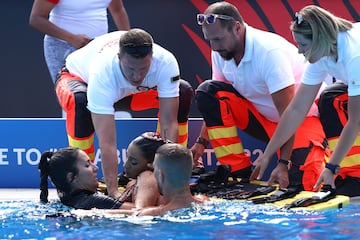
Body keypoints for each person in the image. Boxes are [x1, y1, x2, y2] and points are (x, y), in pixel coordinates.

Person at [190, 1, 328, 191]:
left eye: (218, 40)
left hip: (302, 119)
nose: (213, 47)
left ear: (237, 28)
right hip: (262, 120)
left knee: (304, 186)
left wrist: (283, 163)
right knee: (207, 91)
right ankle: (236, 171)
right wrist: (201, 142)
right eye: (210, 40)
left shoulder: (269, 52)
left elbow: (290, 113)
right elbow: (218, 100)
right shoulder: (221, 51)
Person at [55, 28, 194, 200]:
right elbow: (107, 142)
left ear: (152, 57)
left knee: (183, 91)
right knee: (80, 102)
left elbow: (168, 122)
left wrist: (166, 182)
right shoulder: (102, 73)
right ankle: (83, 185)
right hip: (77, 78)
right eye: (131, 69)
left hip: (128, 93)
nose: (137, 76)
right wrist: (114, 194)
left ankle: (172, 180)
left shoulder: (165, 62)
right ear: (119, 57)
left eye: (144, 69)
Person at [252, 5, 360, 197]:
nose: (300, 51)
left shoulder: (354, 55)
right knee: (329, 99)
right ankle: (354, 178)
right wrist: (268, 154)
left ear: (318, 40)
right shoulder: (320, 53)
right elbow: (295, 109)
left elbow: (355, 122)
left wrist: (332, 167)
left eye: (302, 45)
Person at [91, 143, 208, 216]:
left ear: (160, 175)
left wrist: (91, 213)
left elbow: (135, 213)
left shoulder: (155, 213)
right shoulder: (205, 201)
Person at [29, 0, 130, 84]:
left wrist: (128, 41)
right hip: (63, 47)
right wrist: (71, 38)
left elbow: (118, 10)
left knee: (101, 94)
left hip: (99, 48)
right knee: (74, 98)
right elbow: (36, 18)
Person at [38, 147, 133, 209]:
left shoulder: (69, 200)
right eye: (87, 165)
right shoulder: (94, 201)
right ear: (72, 177)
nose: (96, 168)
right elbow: (141, 211)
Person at [118, 132, 168, 208]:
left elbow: (140, 212)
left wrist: (99, 210)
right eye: (127, 157)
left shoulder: (148, 178)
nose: (126, 165)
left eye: (134, 162)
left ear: (152, 164)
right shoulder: (133, 183)